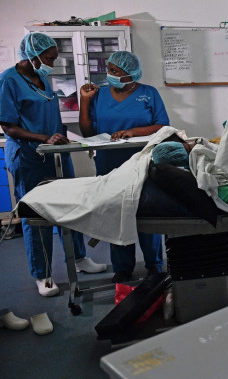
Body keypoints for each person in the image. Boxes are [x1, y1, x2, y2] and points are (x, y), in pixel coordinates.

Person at [0, 32, 106, 297]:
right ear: (32, 56)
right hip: (29, 157)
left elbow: (52, 116)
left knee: (71, 204)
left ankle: (79, 259)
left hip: (58, 152)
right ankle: (44, 274)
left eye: (55, 58)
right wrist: (43, 138)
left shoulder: (42, 78)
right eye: (48, 58)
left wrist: (71, 141)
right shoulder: (8, 81)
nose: (52, 63)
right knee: (36, 213)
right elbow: (8, 126)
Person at [79, 50, 170, 283]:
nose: (108, 74)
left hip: (142, 162)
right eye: (108, 69)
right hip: (110, 163)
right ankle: (122, 266)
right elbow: (88, 132)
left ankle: (154, 263)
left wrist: (132, 132)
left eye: (114, 71)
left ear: (130, 73)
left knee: (148, 212)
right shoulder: (99, 95)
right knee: (115, 213)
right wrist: (85, 101)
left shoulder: (148, 94)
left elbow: (162, 125)